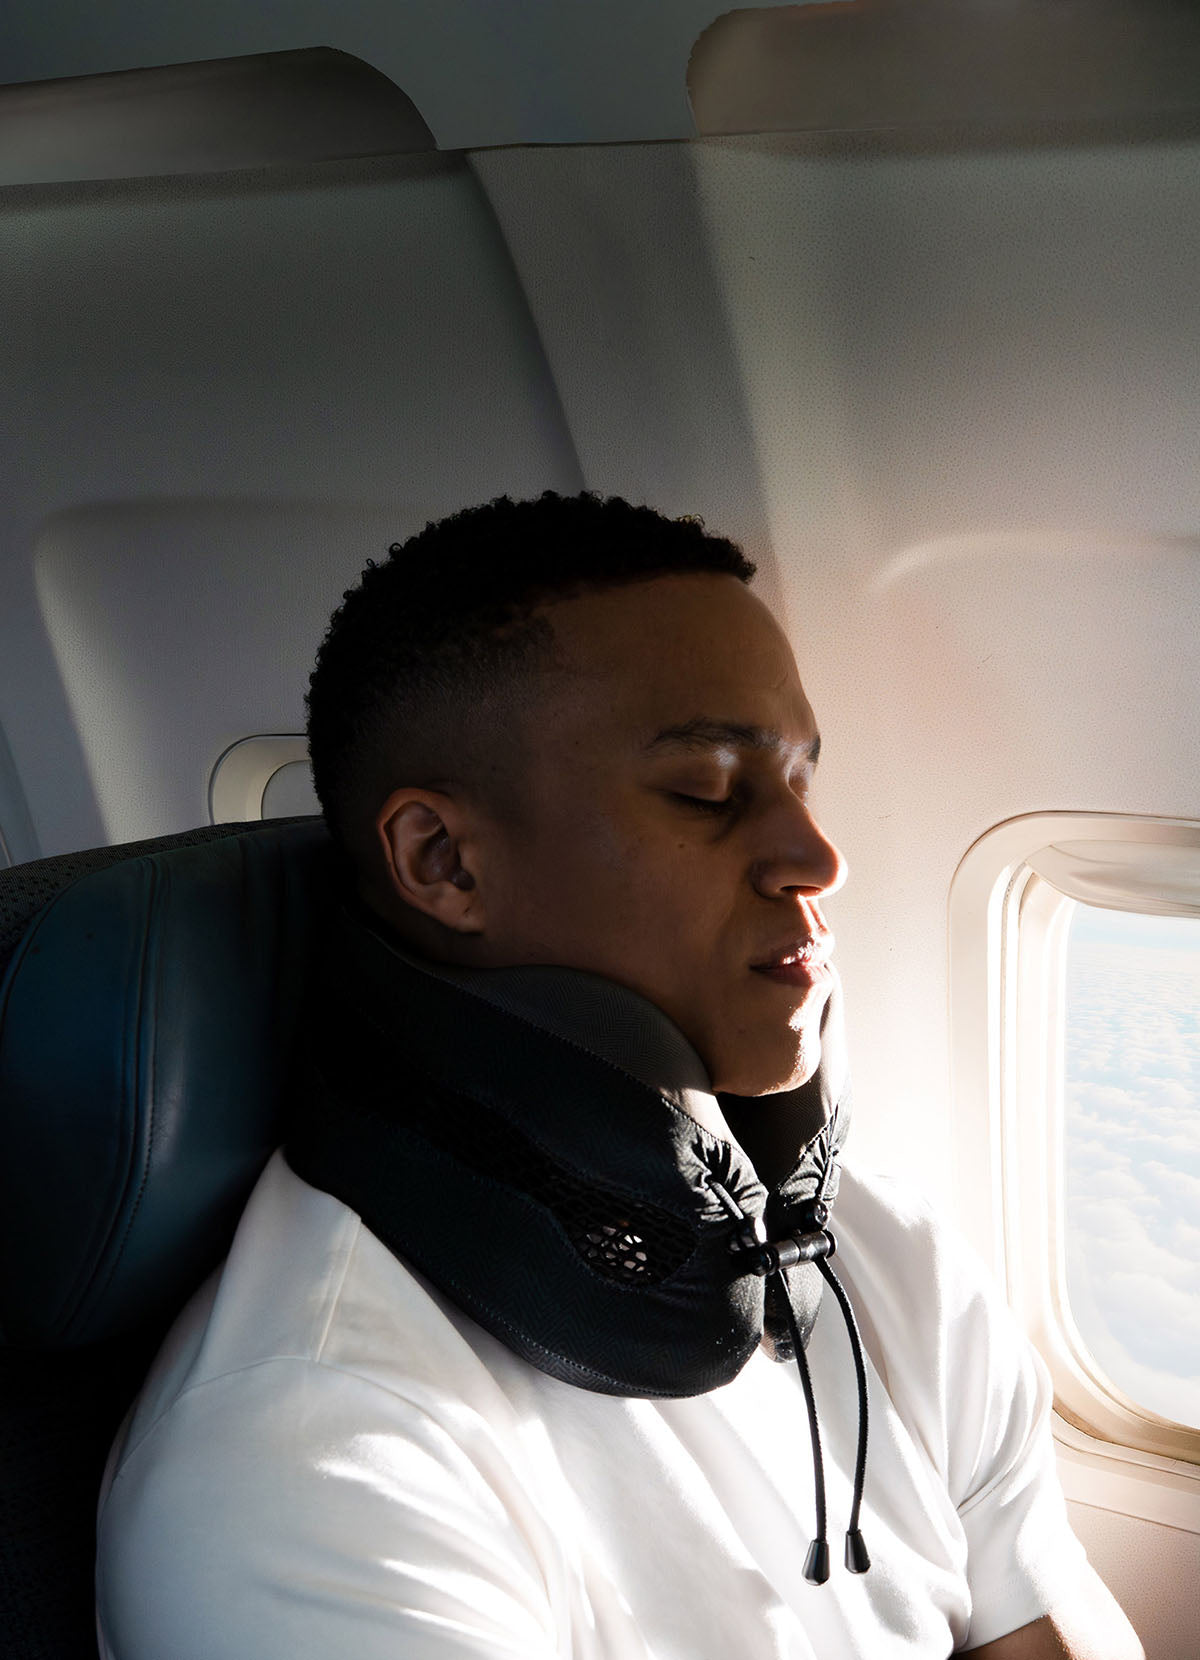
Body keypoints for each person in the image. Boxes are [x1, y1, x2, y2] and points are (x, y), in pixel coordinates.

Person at [95, 492, 1143, 1659]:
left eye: (802, 781)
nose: (817, 856)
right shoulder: (308, 1465)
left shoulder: (887, 1258)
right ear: (445, 862)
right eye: (707, 791)